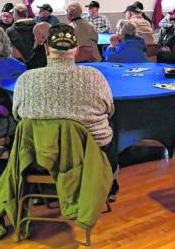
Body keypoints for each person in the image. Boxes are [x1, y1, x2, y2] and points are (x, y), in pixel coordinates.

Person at [12, 23, 118, 199]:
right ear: (76, 50)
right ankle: (108, 186)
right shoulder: (94, 77)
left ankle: (38, 190)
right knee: (112, 125)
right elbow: (109, 110)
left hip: (41, 156)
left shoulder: (25, 80)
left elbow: (17, 116)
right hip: (88, 153)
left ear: (46, 48)